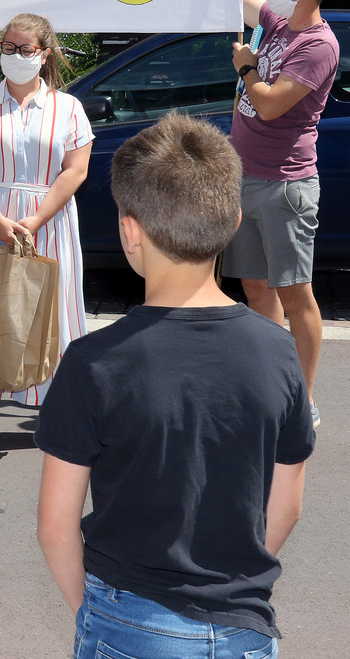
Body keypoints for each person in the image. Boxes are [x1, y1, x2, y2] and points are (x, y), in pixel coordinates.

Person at [35, 113, 315, 658]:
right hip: (246, 627)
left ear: (128, 229)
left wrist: (93, 611)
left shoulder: (93, 362)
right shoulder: (278, 350)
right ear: (234, 222)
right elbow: (286, 505)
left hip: (130, 617)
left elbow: (55, 526)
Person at [0, 13, 92, 452]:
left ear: (44, 53)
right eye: (8, 47)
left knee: (56, 314)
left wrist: (34, 220)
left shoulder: (68, 107)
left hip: (48, 220)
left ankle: (59, 415)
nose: (15, 55)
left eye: (25, 49)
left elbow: (76, 170)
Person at [229, 0, 339, 427]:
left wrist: (248, 67)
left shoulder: (317, 45)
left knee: (295, 296)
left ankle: (302, 404)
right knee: (256, 290)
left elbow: (270, 106)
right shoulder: (276, 24)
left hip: (285, 186)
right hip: (244, 180)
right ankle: (267, 386)